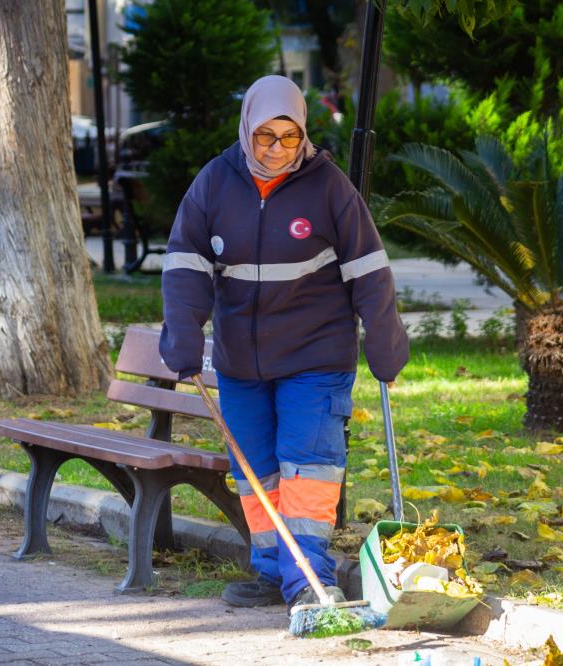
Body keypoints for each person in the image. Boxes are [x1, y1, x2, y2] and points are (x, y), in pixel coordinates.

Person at [159, 75, 409, 610]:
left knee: (308, 469)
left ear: (305, 135)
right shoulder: (214, 182)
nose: (277, 150)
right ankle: (274, 572)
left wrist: (384, 335)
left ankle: (310, 583)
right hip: (240, 361)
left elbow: (368, 268)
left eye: (289, 137)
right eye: (265, 137)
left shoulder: (329, 186)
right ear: (247, 129)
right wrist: (182, 328)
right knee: (256, 473)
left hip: (315, 356)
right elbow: (186, 262)